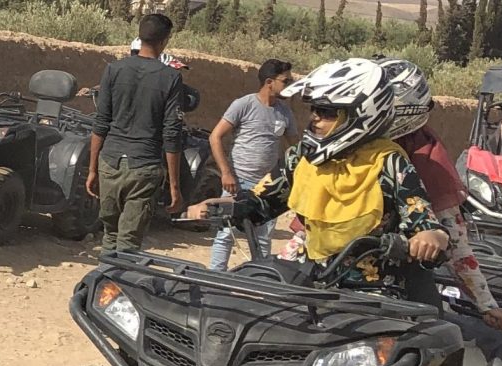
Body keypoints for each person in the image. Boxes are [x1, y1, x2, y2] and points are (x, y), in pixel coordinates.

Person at [189, 58, 449, 307]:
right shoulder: (303, 157)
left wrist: (430, 236)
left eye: (326, 112)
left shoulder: (388, 162)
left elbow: (420, 216)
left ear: (361, 114)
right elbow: (263, 200)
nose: (314, 117)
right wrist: (222, 205)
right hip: (309, 281)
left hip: (372, 295)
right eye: (314, 109)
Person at [87, 13, 184, 254]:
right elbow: (172, 134)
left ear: (140, 37)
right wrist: (174, 186)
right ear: (165, 41)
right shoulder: (171, 78)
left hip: (109, 164)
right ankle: (118, 288)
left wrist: (92, 170)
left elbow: (101, 123)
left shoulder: (114, 70)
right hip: (144, 167)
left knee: (109, 235)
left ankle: (104, 286)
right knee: (129, 243)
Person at [208, 59, 299, 270]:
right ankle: (215, 277)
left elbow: (295, 148)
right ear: (269, 82)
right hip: (237, 183)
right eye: (286, 80)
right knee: (226, 233)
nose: (290, 85)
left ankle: (261, 278)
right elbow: (215, 137)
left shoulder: (285, 113)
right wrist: (226, 173)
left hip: (267, 187)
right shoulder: (244, 105)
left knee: (263, 238)